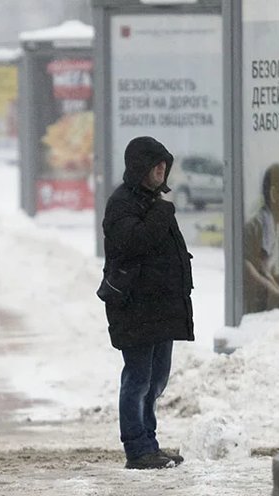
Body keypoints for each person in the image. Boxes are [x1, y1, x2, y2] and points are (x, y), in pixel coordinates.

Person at [101, 136, 193, 470]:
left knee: (156, 379)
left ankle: (149, 442)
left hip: (160, 308)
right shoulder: (124, 203)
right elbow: (135, 242)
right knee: (138, 378)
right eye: (156, 164)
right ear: (140, 167)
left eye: (164, 165)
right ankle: (137, 448)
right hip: (135, 307)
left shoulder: (154, 203)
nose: (162, 170)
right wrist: (162, 212)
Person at [243, 163, 279, 314]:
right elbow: (250, 268)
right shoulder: (259, 226)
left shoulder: (270, 225)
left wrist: (277, 282)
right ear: (273, 195)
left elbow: (263, 268)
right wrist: (278, 294)